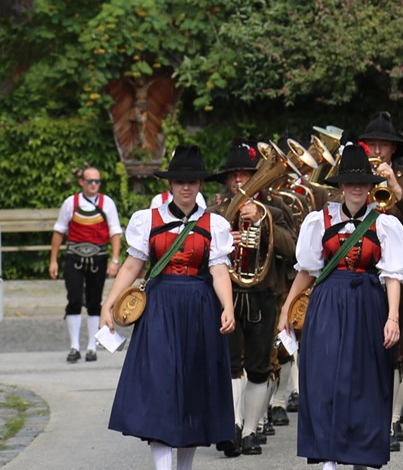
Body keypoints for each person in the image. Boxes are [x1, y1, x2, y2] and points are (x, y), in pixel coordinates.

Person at [102, 145, 236, 470]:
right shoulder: (147, 220)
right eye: (179, 181)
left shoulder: (214, 224)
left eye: (192, 181)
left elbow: (219, 270)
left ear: (201, 184)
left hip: (199, 310)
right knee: (160, 388)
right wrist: (108, 306)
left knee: (192, 390)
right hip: (159, 309)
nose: (186, 187)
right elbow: (133, 267)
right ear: (170, 185)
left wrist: (228, 307)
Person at [277, 142, 403, 469]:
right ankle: (328, 460)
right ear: (341, 186)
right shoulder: (318, 221)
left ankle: (361, 457)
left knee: (364, 383)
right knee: (323, 380)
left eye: (363, 182)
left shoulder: (385, 223)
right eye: (350, 183)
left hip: (368, 304)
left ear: (370, 186)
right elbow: (307, 270)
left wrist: (392, 318)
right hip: (327, 305)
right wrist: (287, 308)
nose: (357, 188)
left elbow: (392, 275)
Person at [209, 140, 297, 457]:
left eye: (246, 174)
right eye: (234, 176)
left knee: (260, 366)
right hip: (229, 295)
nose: (239, 181)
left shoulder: (275, 210)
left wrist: (265, 223)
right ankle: (233, 426)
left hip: (264, 294)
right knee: (232, 364)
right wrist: (223, 239)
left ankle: (250, 430)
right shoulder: (217, 213)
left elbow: (294, 250)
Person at [359, 112, 403, 452]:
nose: (377, 149)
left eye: (382, 145)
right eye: (372, 143)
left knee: (399, 351)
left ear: (392, 149)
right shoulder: (356, 175)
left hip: (400, 278)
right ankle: (369, 415)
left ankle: (391, 421)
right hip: (361, 275)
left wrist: (397, 190)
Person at [49, 166, 122, 363]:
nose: (94, 185)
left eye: (97, 181)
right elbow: (59, 231)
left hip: (98, 259)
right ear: (82, 182)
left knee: (94, 302)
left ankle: (91, 347)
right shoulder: (70, 203)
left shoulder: (107, 203)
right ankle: (74, 346)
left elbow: (115, 232)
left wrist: (115, 260)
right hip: (74, 258)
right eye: (90, 181)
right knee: (73, 299)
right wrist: (53, 260)